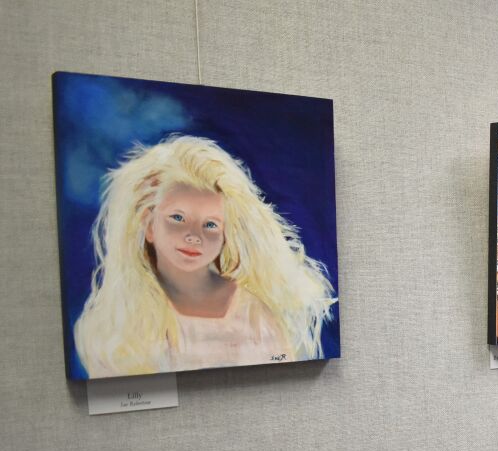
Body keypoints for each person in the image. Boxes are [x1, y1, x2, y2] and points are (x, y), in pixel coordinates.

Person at [74, 134, 336, 378]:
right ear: (149, 224)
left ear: (225, 234)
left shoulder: (252, 312)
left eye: (210, 224)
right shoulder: (118, 322)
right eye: (177, 218)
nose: (193, 236)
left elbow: (280, 367)